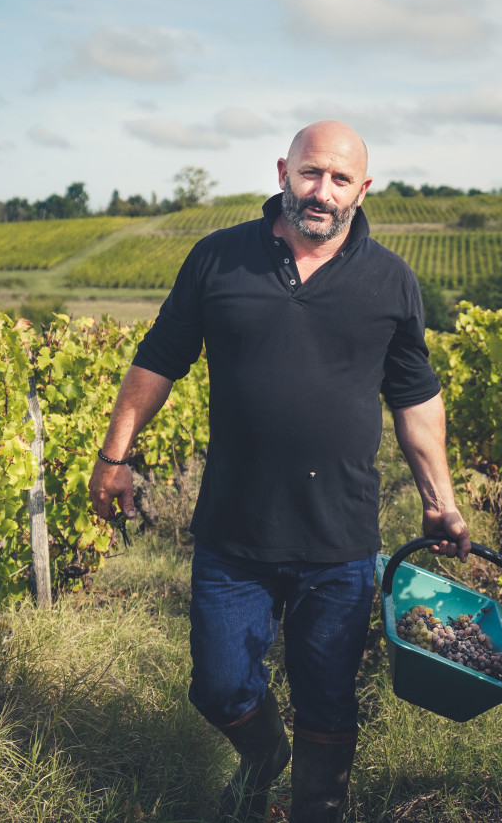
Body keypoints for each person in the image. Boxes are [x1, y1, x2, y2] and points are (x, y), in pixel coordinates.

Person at [89, 120, 469, 823]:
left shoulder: (391, 280)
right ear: (282, 171)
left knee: (327, 698)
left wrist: (440, 500)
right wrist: (114, 457)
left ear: (364, 188)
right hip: (236, 529)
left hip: (341, 537)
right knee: (218, 685)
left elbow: (415, 399)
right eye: (309, 173)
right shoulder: (218, 259)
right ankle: (264, 755)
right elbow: (158, 359)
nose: (321, 192)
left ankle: (316, 808)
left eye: (339, 179)